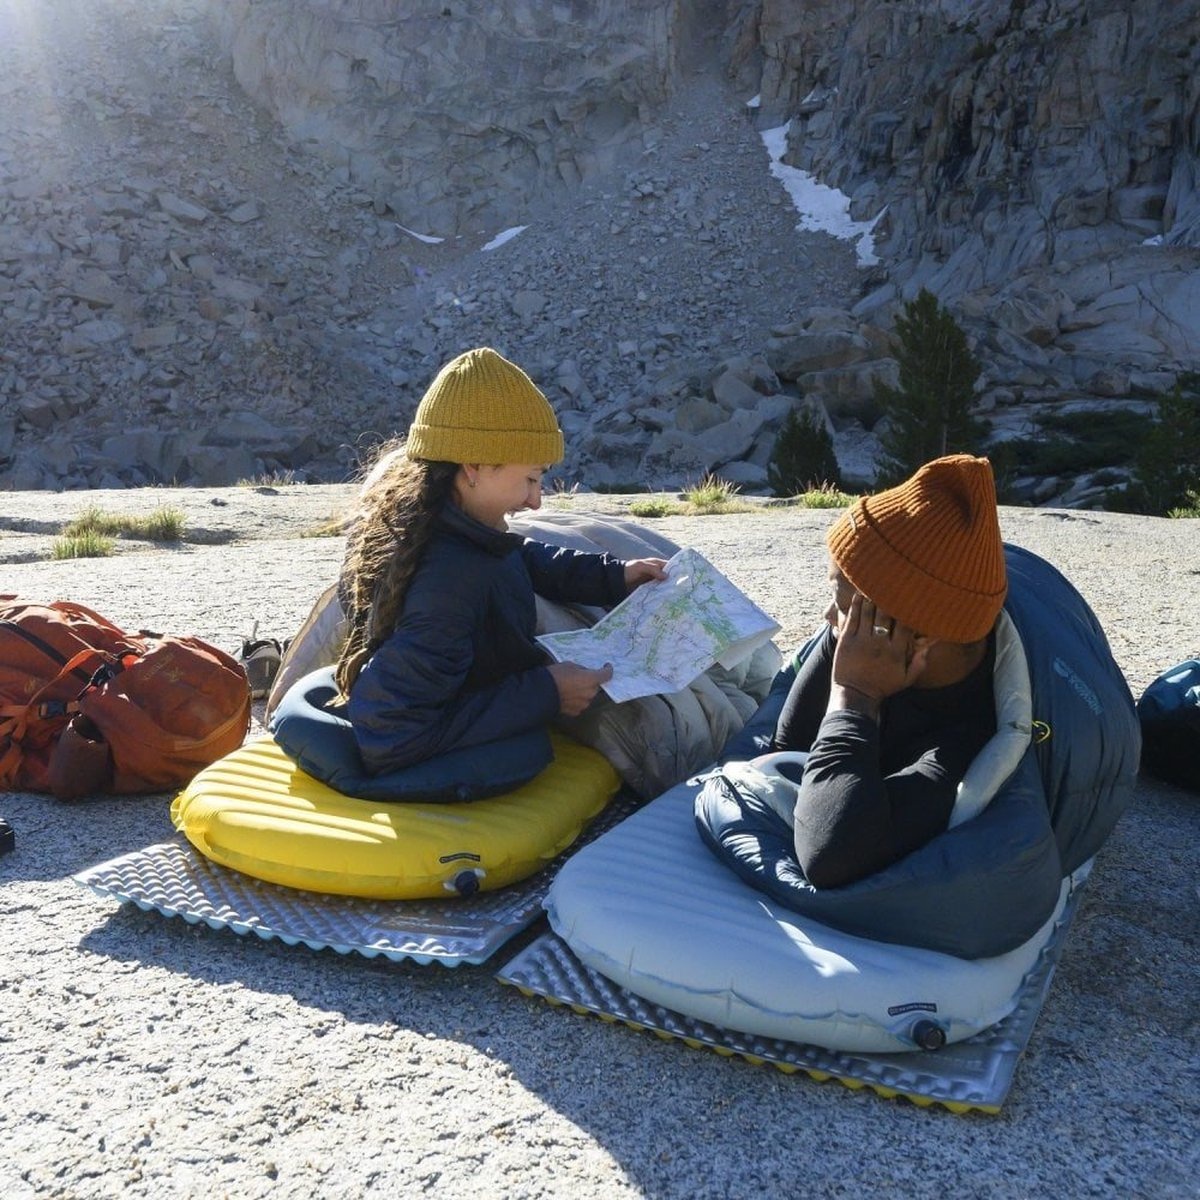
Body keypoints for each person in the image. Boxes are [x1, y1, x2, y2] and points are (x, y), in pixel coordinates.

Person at [335, 346, 667, 775]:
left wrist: (615, 575)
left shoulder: (444, 521)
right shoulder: (449, 583)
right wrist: (547, 692)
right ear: (473, 467)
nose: (535, 501)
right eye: (530, 478)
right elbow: (390, 734)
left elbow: (516, 557)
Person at [770, 454, 1008, 888]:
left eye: (842, 605)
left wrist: (854, 694)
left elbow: (830, 854)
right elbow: (785, 756)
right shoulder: (870, 633)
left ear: (920, 637)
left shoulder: (971, 735)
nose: (829, 617)